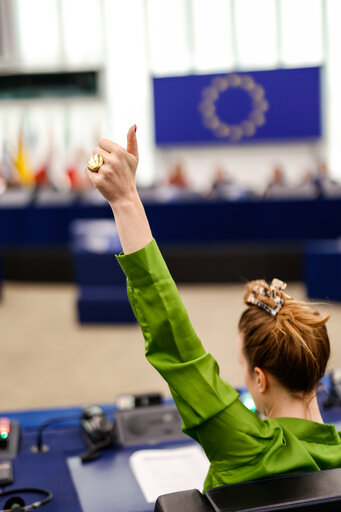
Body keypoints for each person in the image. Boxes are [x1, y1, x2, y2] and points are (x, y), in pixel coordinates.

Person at [87, 126, 341, 492]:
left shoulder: (248, 446)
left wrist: (125, 199)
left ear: (260, 378)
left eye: (241, 365)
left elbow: (176, 345)